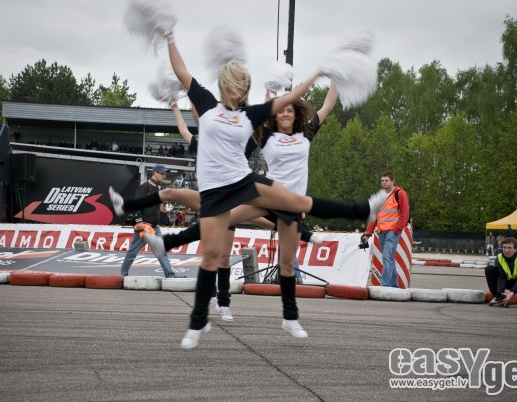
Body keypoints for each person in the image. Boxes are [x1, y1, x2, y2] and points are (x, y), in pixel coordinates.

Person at [161, 31, 389, 349]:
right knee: (213, 249)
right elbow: (182, 72)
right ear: (224, 84)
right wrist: (170, 36)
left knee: (296, 216)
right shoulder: (216, 109)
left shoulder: (262, 119)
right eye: (233, 83)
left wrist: (323, 73)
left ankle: (361, 211)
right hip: (225, 192)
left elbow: (295, 98)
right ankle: (196, 316)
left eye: (243, 84)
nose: (237, 88)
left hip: (253, 187)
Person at [119, 164, 179, 278]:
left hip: (155, 226)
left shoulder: (157, 188)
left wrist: (164, 208)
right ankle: (123, 275)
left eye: (165, 174)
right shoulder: (145, 187)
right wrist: (139, 221)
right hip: (144, 227)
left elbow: (157, 208)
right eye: (162, 173)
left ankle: (170, 276)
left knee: (161, 251)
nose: (164, 176)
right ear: (154, 173)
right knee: (132, 253)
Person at [363, 171, 410, 287]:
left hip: (392, 231)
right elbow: (374, 215)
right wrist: (368, 232)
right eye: (382, 181)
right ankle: (394, 286)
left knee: (387, 257)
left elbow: (405, 214)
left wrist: (397, 229)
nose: (384, 182)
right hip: (381, 232)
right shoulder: (380, 196)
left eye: (386, 180)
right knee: (389, 259)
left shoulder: (400, 194)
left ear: (392, 181)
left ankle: (384, 285)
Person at [486, 236, 517, 308]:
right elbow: (501, 277)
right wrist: (500, 294)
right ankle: (497, 297)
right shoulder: (499, 258)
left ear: (515, 249)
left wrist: (510, 295)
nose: (506, 250)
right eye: (504, 247)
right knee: (489, 269)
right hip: (507, 281)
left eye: (509, 248)